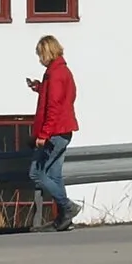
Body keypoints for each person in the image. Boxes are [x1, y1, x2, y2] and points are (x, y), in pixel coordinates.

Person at [25, 34, 81, 230]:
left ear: (47, 52)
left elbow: (53, 106)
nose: (40, 59)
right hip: (64, 131)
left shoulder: (55, 74)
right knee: (55, 175)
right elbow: (65, 96)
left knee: (36, 173)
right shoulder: (62, 71)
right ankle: (64, 219)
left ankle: (68, 207)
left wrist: (43, 134)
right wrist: (39, 88)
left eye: (40, 54)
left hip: (54, 133)